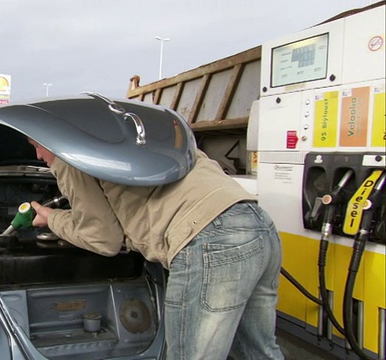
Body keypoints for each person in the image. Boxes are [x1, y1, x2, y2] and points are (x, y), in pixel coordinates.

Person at [28, 138, 284, 360]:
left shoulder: (70, 154)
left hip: (210, 239)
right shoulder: (141, 133)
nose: (39, 155)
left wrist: (51, 217)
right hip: (258, 224)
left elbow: (103, 238)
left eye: (37, 145)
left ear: (52, 139)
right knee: (258, 351)